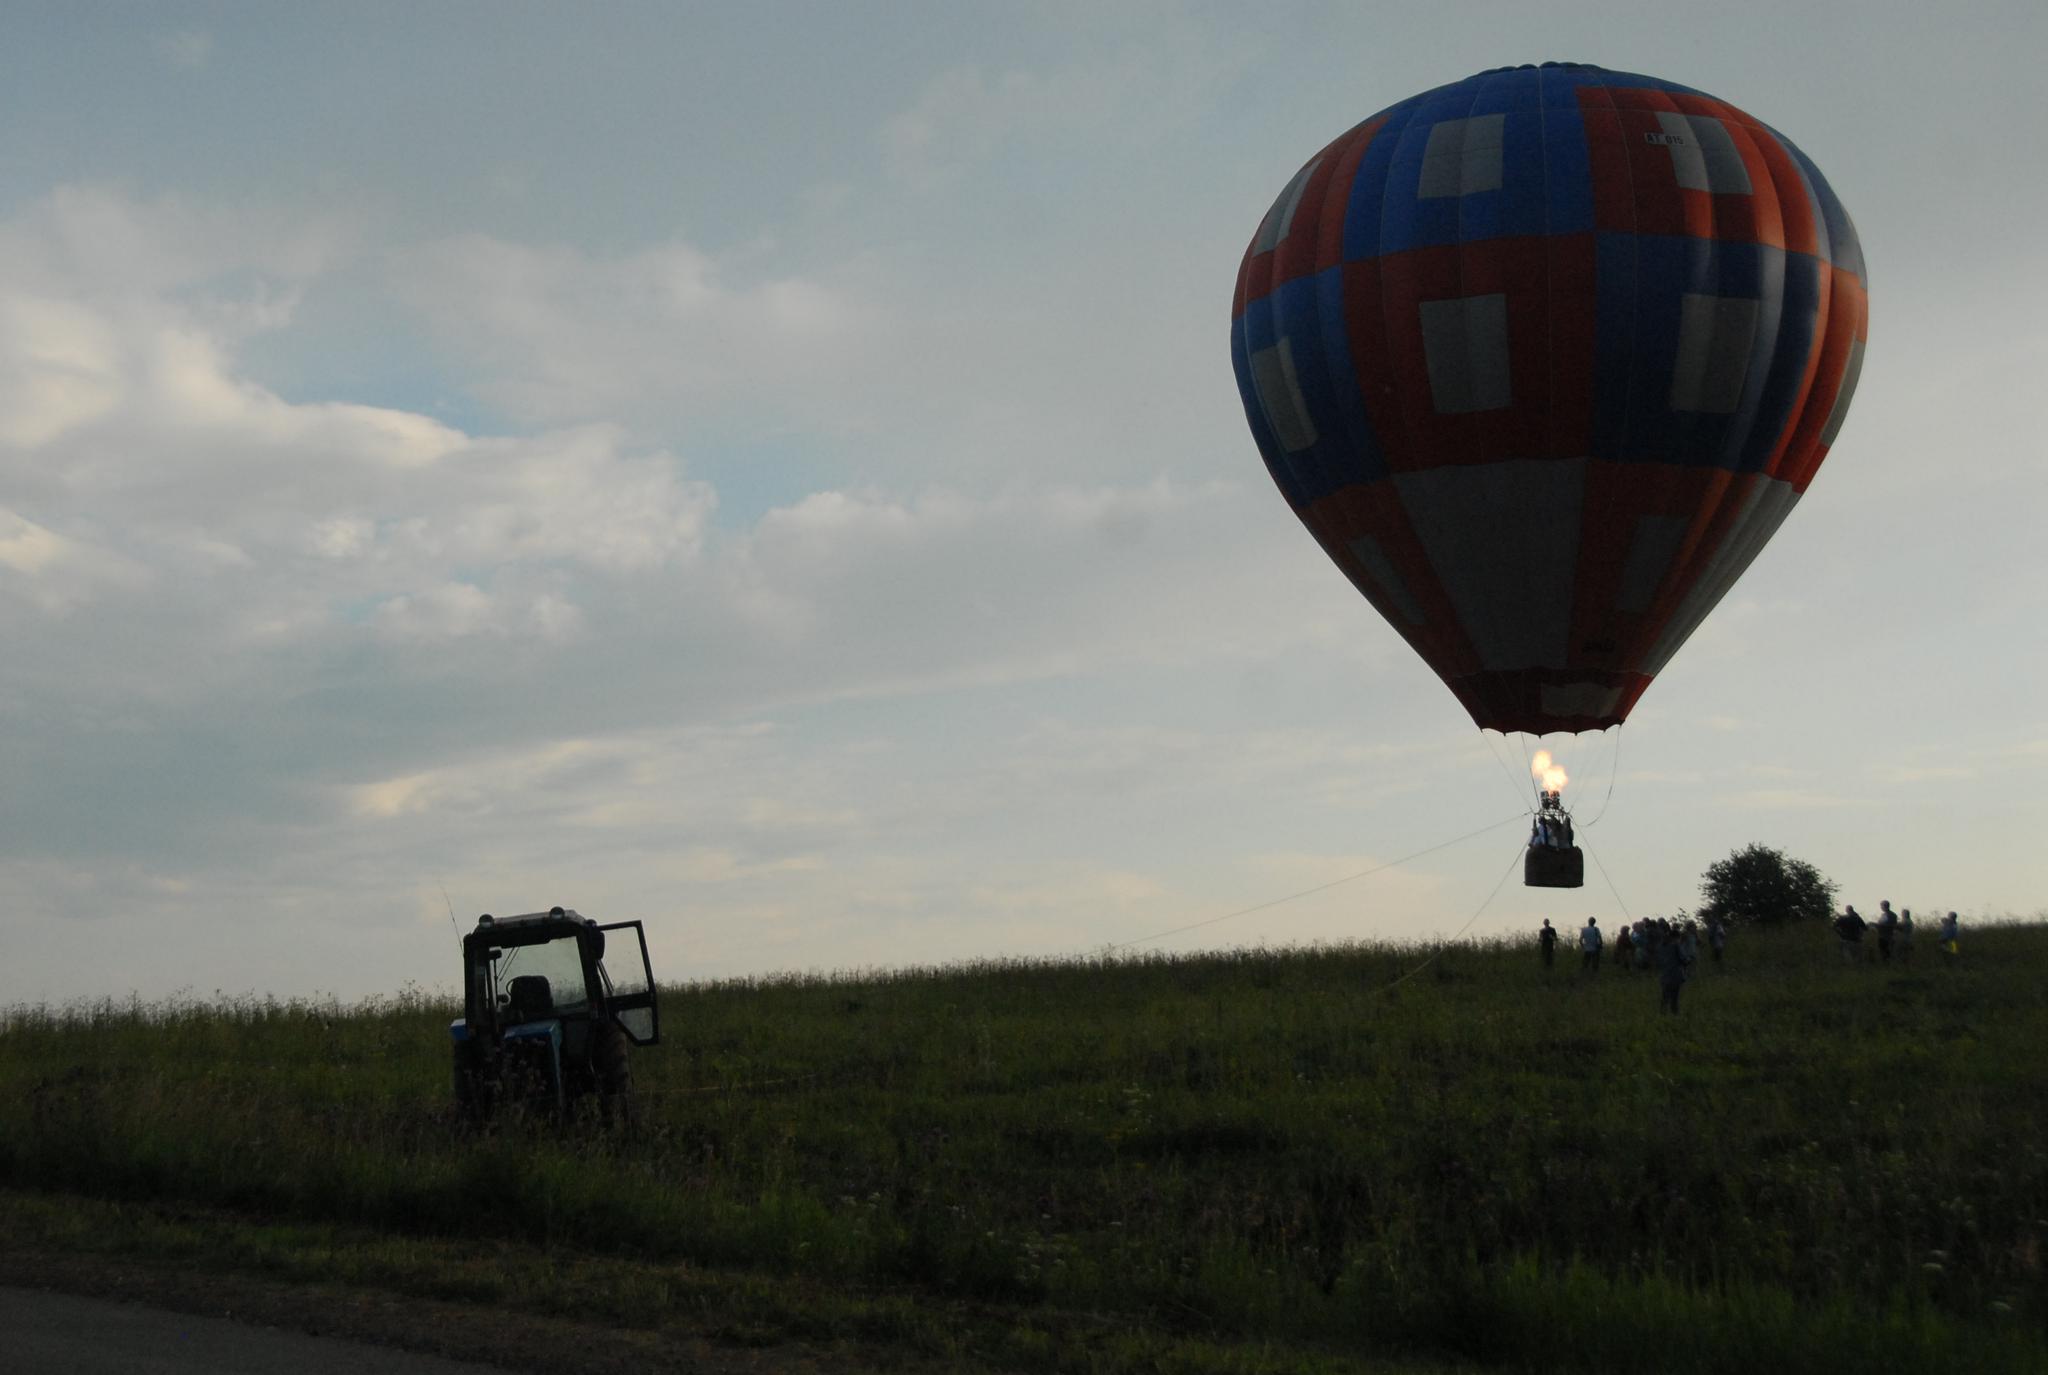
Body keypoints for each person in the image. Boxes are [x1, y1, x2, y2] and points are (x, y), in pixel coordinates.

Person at [1657, 922, 1696, 1013]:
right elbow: (1683, 959)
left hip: (1664, 976)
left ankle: (1662, 1014)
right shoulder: (1676, 945)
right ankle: (1675, 1015)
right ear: (1676, 937)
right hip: (1675, 975)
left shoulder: (1661, 947)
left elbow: (1658, 962)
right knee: (1674, 998)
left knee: (1665, 997)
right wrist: (1689, 960)